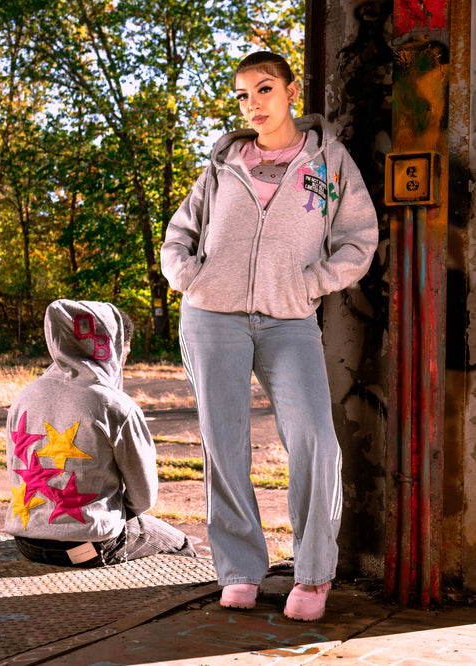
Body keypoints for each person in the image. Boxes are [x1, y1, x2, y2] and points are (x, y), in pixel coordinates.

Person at [161, 51, 378, 620]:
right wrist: (191, 277)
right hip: (212, 316)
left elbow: (359, 239)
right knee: (224, 444)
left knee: (315, 439)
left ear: (290, 91)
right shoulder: (223, 164)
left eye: (263, 89)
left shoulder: (329, 163)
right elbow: (179, 234)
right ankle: (239, 570)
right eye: (242, 95)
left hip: (289, 319)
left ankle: (313, 573)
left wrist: (310, 284)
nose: (252, 104)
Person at [5, 299, 196, 567]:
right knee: (180, 544)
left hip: (27, 543)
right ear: (112, 349)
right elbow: (144, 497)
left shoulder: (24, 397)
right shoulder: (116, 405)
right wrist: (106, 515)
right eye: (125, 354)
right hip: (91, 547)